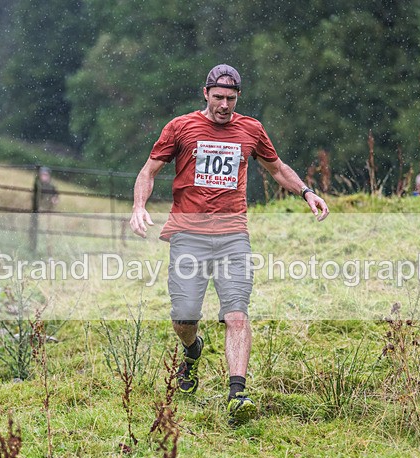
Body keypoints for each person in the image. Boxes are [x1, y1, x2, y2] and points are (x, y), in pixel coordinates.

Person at [129, 64, 329, 426]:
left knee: (236, 314)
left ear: (238, 98)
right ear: (205, 93)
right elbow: (149, 171)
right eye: (218, 97)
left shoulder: (251, 129)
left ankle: (238, 393)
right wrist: (139, 206)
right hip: (188, 234)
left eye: (231, 99)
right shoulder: (180, 127)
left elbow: (277, 168)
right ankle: (192, 350)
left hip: (233, 235)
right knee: (184, 316)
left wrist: (307, 192)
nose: (224, 105)